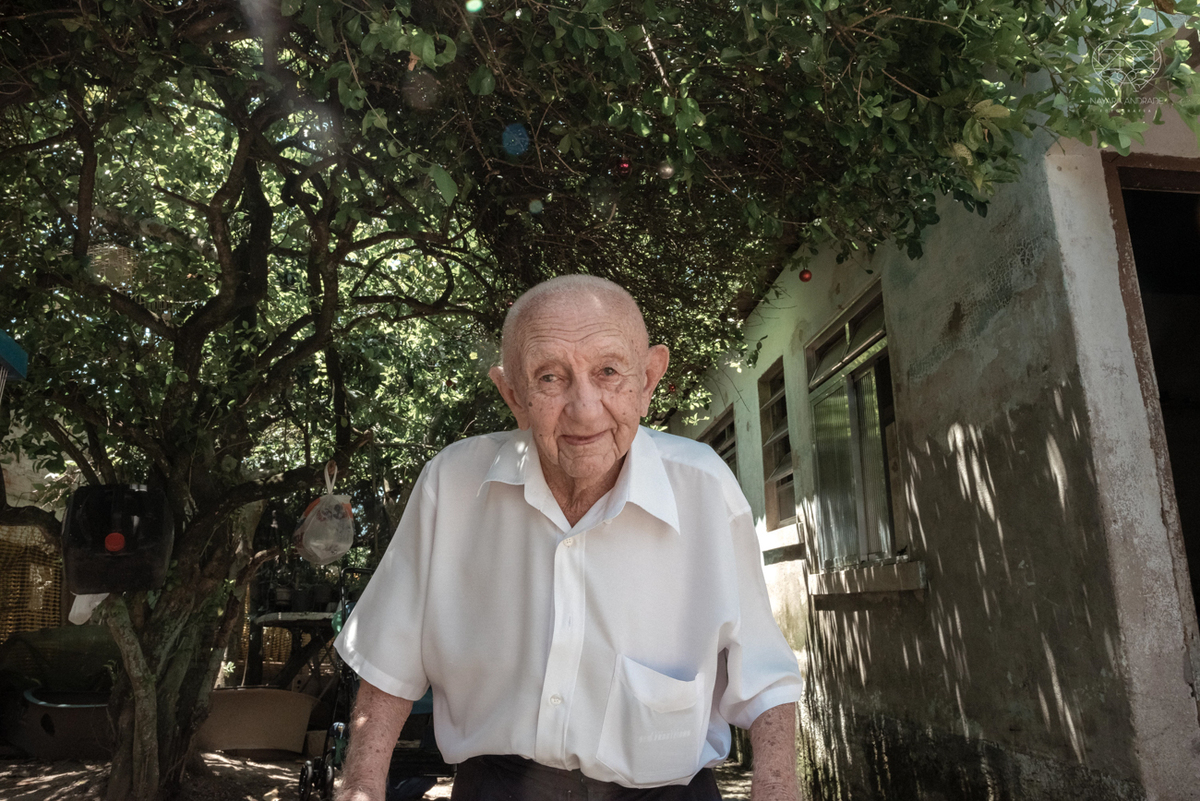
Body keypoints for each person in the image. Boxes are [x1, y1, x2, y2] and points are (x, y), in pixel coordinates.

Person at [335, 275, 803, 801]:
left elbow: (764, 677)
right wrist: (360, 787)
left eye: (608, 372)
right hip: (498, 789)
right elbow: (389, 663)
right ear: (514, 395)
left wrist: (776, 787)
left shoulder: (704, 487)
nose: (584, 408)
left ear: (648, 380)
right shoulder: (453, 484)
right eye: (550, 377)